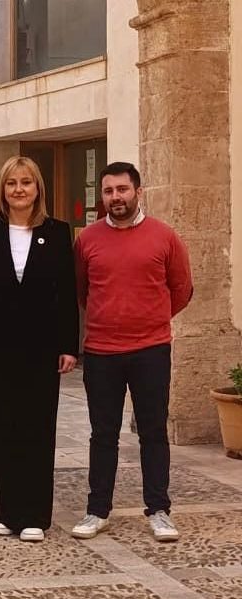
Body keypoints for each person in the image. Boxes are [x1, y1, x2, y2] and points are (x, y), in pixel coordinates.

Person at [71, 161, 193, 543]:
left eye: (122, 190)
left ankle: (159, 510)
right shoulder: (87, 240)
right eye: (108, 191)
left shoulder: (164, 237)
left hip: (151, 350)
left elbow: (182, 289)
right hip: (102, 351)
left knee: (153, 431)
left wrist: (149, 319)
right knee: (102, 433)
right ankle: (97, 510)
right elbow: (81, 291)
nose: (115, 198)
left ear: (138, 192)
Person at [0, 155, 79, 542]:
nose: (19, 190)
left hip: (41, 350)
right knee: (1, 428)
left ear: (37, 188)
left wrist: (68, 346)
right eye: (12, 183)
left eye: (26, 182)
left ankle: (34, 515)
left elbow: (67, 295)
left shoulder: (59, 233)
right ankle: (6, 510)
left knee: (38, 429)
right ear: (3, 190)